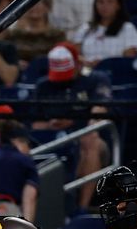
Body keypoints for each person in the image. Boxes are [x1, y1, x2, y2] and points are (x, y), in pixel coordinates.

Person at [33, 42, 111, 211]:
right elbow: (32, 123)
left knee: (91, 140)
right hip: (51, 138)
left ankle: (81, 207)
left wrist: (74, 123)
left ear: (78, 64)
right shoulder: (43, 85)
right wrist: (51, 124)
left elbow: (100, 111)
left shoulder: (95, 80)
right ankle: (60, 203)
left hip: (86, 136)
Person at [73, 0, 137, 68]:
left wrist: (103, 64)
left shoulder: (127, 28)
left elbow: (129, 59)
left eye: (110, 2)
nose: (104, 6)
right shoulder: (85, 28)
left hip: (116, 74)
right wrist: (86, 62)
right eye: (100, 2)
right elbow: (75, 55)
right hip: (88, 73)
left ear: (118, 5)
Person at [3, 0, 66, 68]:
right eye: (31, 4)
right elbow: (5, 57)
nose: (34, 7)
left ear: (47, 8)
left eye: (38, 3)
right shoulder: (13, 34)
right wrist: (16, 63)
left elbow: (61, 58)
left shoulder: (57, 35)